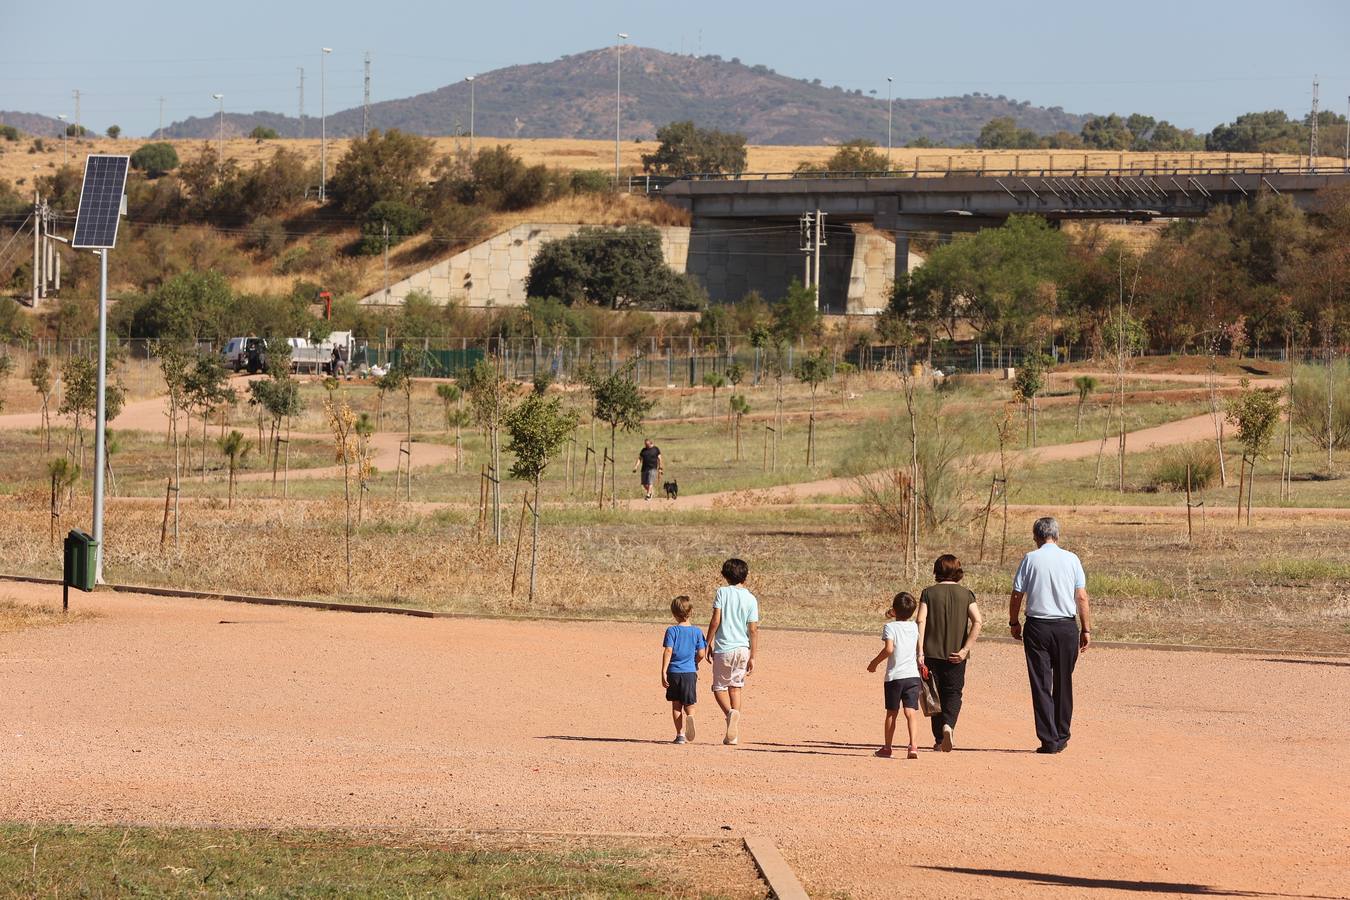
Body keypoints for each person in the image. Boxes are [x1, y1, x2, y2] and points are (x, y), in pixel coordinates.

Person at [1008, 517, 1092, 754]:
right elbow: (1081, 597)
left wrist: (1014, 622)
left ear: (1036, 537)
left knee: (1041, 683)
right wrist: (1085, 628)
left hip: (1038, 627)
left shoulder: (1030, 559)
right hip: (1066, 627)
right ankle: (1062, 734)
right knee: (1064, 681)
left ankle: (1049, 739)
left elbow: (1017, 594)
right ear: (1057, 535)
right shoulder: (1072, 559)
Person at [916, 554, 984, 753]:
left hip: (931, 653)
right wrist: (965, 649)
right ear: (958, 571)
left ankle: (938, 739)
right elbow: (978, 621)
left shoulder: (928, 593)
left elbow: (921, 620)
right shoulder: (967, 594)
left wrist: (920, 650)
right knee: (953, 693)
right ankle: (949, 726)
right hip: (957, 655)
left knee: (933, 694)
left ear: (937, 570)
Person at [705, 558, 758, 746]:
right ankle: (733, 735)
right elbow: (753, 629)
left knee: (718, 687)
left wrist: (707, 642)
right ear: (745, 576)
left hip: (724, 648)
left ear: (725, 576)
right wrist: (753, 654)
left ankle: (729, 714)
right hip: (743, 648)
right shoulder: (751, 598)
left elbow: (715, 620)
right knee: (735, 687)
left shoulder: (722, 592)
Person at [866, 592, 923, 760]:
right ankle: (913, 746)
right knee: (910, 711)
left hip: (895, 677)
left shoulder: (890, 627)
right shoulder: (914, 627)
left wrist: (874, 662)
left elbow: (889, 649)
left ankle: (888, 747)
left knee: (892, 712)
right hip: (912, 675)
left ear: (895, 609)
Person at [661, 595, 707, 745]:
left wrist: (663, 670)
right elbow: (701, 653)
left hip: (674, 672)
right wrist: (695, 662)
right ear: (691, 612)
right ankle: (691, 716)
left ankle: (680, 735)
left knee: (676, 704)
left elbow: (668, 650)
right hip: (690, 672)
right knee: (689, 702)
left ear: (674, 613)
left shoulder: (672, 631)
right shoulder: (697, 632)